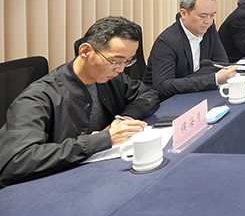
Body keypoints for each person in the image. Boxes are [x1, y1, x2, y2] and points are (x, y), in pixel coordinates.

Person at [0, 16, 160, 186]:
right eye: (115, 61)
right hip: (57, 184)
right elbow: (14, 162)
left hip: (100, 174)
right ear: (85, 51)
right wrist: (103, 140)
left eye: (127, 62)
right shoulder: (38, 98)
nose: (120, 69)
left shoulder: (110, 77)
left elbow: (148, 95)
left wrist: (126, 118)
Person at [143, 0, 237, 100]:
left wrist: (187, 81)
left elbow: (221, 63)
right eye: (203, 16)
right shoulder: (167, 42)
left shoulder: (209, 28)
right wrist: (212, 79)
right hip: (169, 102)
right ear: (183, 13)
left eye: (212, 15)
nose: (208, 21)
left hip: (195, 94)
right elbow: (163, 86)